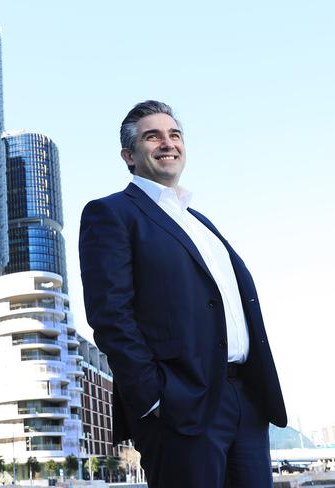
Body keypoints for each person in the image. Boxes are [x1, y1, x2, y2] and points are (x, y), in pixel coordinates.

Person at [78, 100, 286, 487]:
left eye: (174, 135)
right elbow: (110, 316)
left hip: (246, 402)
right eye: (152, 136)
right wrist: (156, 399)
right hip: (182, 406)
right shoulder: (111, 213)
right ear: (129, 155)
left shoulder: (200, 222)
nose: (167, 143)